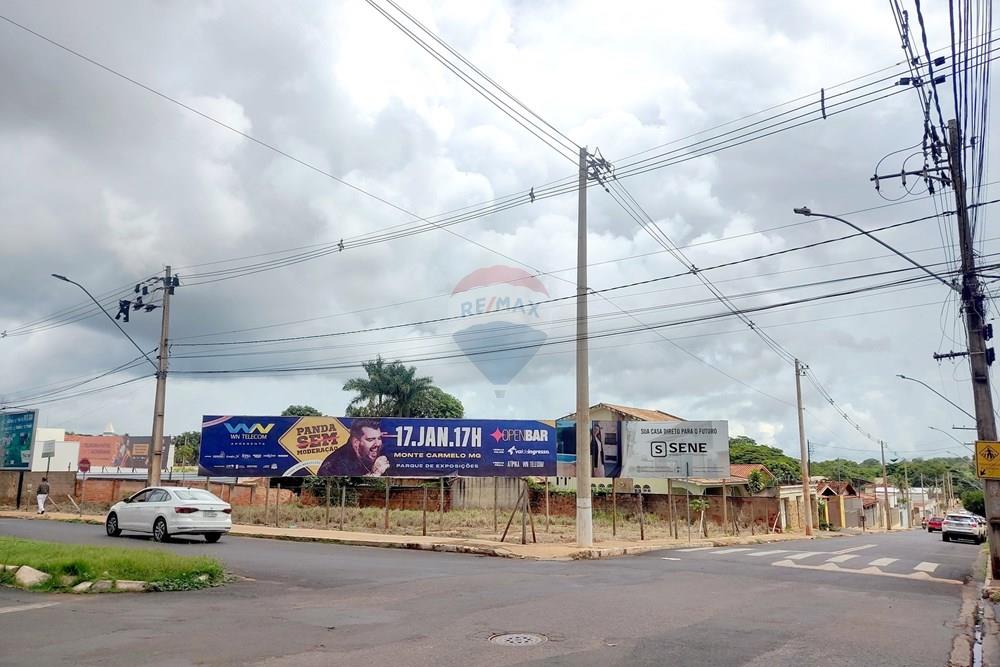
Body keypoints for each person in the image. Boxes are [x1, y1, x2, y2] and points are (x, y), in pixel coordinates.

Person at [317, 419, 389, 477]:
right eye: (370, 439)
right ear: (356, 442)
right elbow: (349, 491)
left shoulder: (375, 454)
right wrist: (375, 473)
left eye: (379, 438)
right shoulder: (335, 465)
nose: (378, 444)